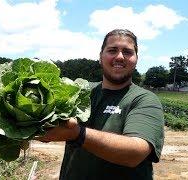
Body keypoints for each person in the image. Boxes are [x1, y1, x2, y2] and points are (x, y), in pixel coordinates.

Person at [37, 29, 164, 179]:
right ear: (100, 57)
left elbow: (135, 153)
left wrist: (78, 134)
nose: (119, 57)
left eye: (128, 52)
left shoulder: (144, 99)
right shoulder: (79, 93)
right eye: (112, 50)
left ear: (136, 59)